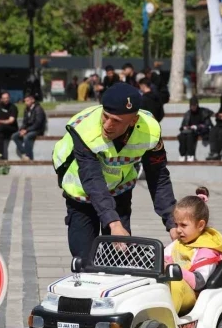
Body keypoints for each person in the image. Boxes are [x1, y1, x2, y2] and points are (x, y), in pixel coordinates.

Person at [52, 82, 178, 259]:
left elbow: (158, 177)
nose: (107, 125)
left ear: (133, 120)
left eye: (116, 121)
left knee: (119, 257)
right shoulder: (84, 129)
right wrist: (113, 222)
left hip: (119, 191)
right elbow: (92, 179)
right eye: (105, 116)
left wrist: (172, 222)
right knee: (84, 259)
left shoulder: (150, 131)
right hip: (82, 193)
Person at [164, 186, 222, 315]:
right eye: (176, 225)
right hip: (175, 289)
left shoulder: (206, 250)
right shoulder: (179, 243)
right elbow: (163, 256)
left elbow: (199, 282)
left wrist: (172, 268)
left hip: (193, 295)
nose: (178, 230)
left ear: (200, 225)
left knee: (175, 284)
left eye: (183, 225)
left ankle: (168, 319)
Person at [177, 96, 213, 162]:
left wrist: (197, 127)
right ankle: (182, 154)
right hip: (189, 131)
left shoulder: (203, 112)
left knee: (190, 136)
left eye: (194, 105)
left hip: (200, 131)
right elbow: (182, 126)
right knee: (181, 136)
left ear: (197, 105)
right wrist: (185, 127)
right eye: (191, 106)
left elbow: (208, 125)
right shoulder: (188, 113)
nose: (193, 107)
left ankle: (191, 154)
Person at [12, 92, 46, 161]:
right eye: (25, 101)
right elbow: (25, 122)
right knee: (14, 136)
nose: (26, 103)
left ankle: (29, 157)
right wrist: (22, 129)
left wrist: (26, 130)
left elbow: (38, 124)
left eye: (27, 101)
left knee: (27, 137)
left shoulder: (38, 109)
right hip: (28, 129)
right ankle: (24, 152)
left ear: (32, 100)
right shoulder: (26, 109)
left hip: (38, 130)